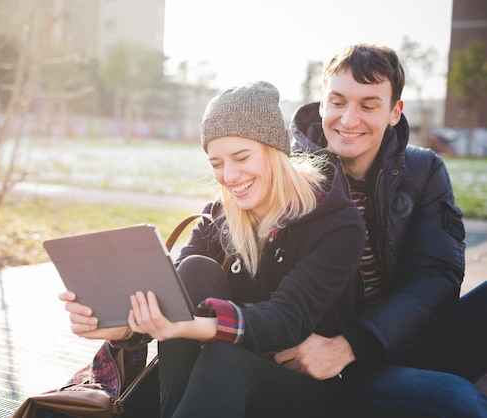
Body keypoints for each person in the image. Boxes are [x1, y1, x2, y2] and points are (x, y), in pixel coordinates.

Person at [60, 80, 367, 417]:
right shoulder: (219, 217)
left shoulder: (337, 223)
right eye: (217, 163)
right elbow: (171, 300)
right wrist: (124, 327)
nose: (230, 175)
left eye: (241, 157)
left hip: (309, 390)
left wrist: (187, 326)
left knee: (226, 359)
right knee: (194, 269)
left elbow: (284, 320)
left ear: (275, 150)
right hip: (214, 386)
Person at [278, 43, 487, 417]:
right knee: (461, 403)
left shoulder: (423, 171)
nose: (348, 118)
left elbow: (437, 275)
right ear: (322, 103)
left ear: (394, 112)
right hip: (339, 369)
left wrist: (354, 343)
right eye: (338, 102)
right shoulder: (289, 179)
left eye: (368, 105)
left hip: (404, 339)